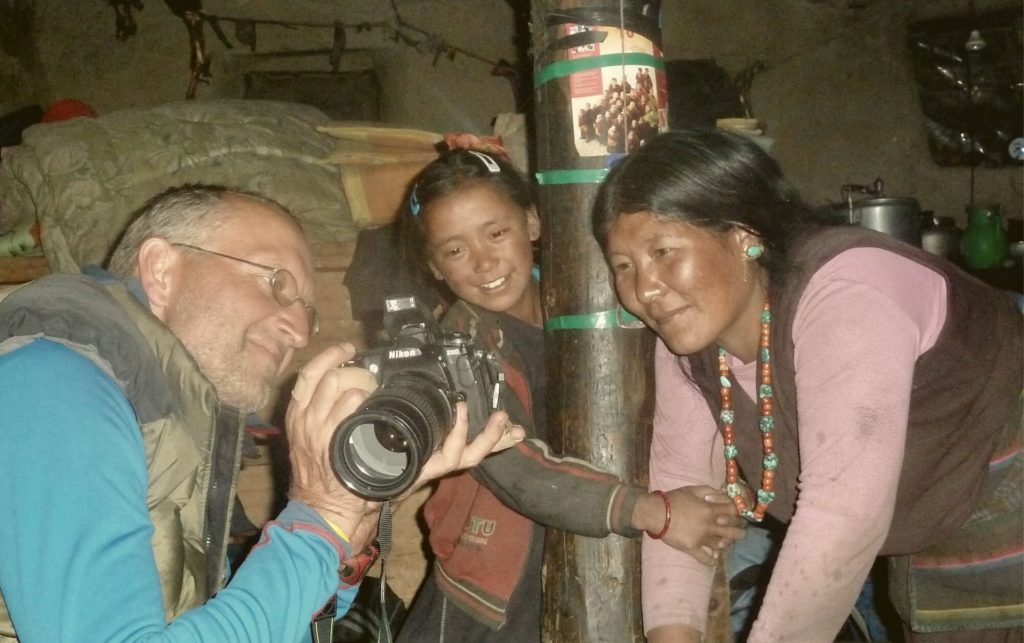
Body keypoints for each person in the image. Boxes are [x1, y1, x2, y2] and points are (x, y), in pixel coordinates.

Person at [0, 184, 524, 642]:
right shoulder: (54, 378)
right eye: (277, 285)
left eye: (308, 313)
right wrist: (319, 517)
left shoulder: (178, 425)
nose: (299, 331)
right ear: (162, 270)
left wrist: (343, 542)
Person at [592, 129, 1023, 642]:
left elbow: (841, 520)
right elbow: (684, 500)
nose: (644, 290)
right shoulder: (688, 339)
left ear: (742, 234)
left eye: (663, 251)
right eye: (624, 266)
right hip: (933, 511)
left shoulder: (846, 292)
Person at [393, 148, 747, 642]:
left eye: (497, 233)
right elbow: (514, 466)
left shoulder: (593, 308)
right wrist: (647, 510)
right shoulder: (456, 349)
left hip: (592, 570)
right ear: (434, 266)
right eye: (455, 251)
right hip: (489, 600)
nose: (483, 261)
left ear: (533, 223)